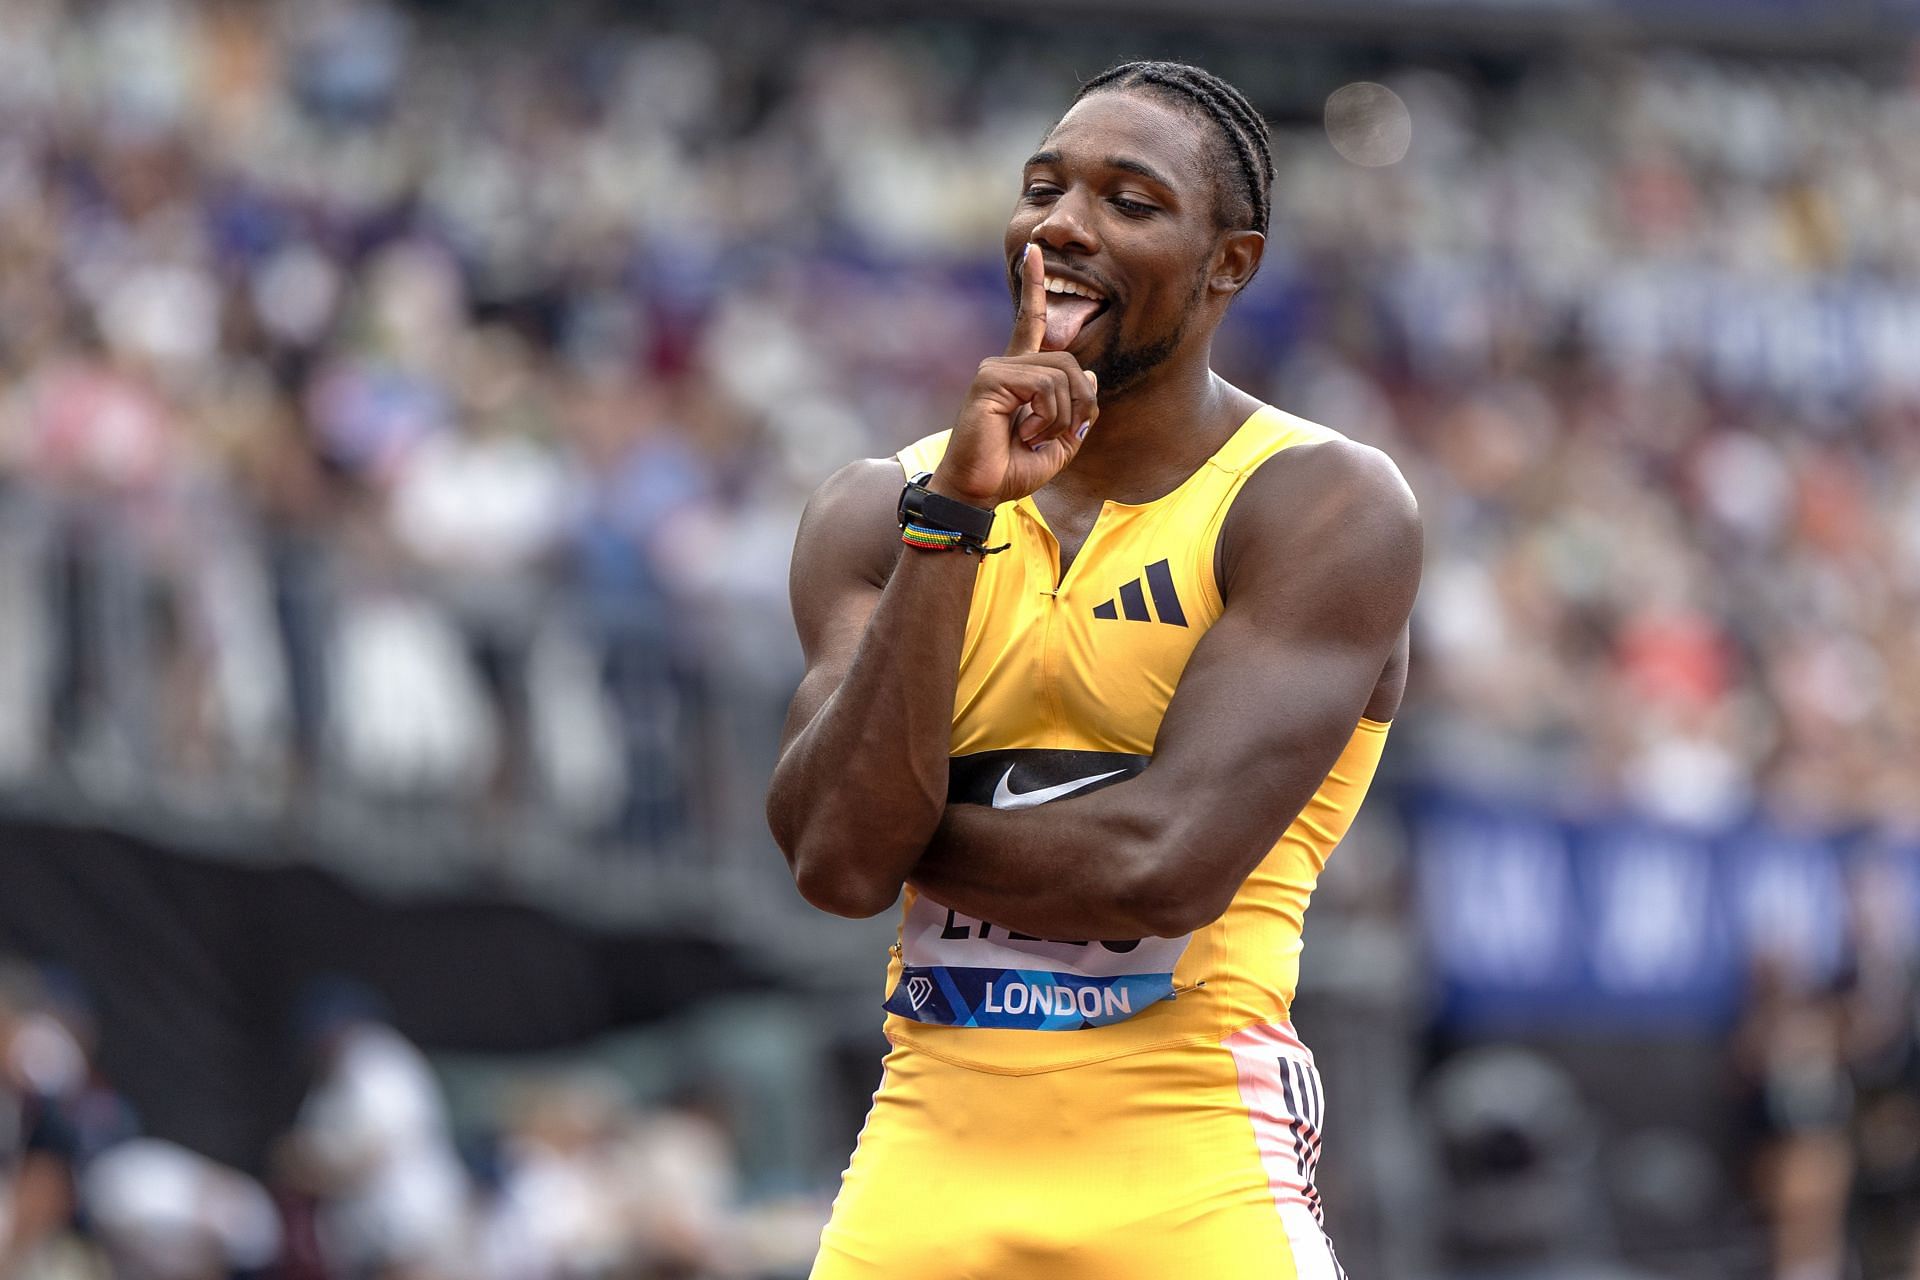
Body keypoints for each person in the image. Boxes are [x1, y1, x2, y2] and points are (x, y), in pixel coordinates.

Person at [767, 60, 1420, 1279]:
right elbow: (834, 864)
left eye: (1129, 200)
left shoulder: (1320, 503)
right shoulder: (881, 508)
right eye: (1043, 189)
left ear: (1231, 264)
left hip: (1192, 1168)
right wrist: (953, 517)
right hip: (926, 1170)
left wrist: (895, 818)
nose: (1063, 224)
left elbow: (1160, 864)